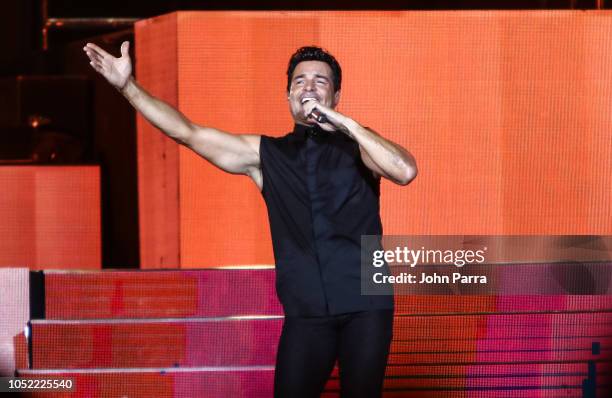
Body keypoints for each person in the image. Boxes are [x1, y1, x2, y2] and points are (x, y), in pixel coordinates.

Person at [83, 41, 417, 398]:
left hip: (366, 306)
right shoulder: (266, 155)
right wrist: (127, 87)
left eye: (321, 82)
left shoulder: (360, 149)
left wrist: (346, 124)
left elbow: (405, 170)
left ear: (336, 95)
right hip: (305, 314)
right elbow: (188, 132)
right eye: (300, 81)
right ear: (288, 95)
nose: (309, 87)